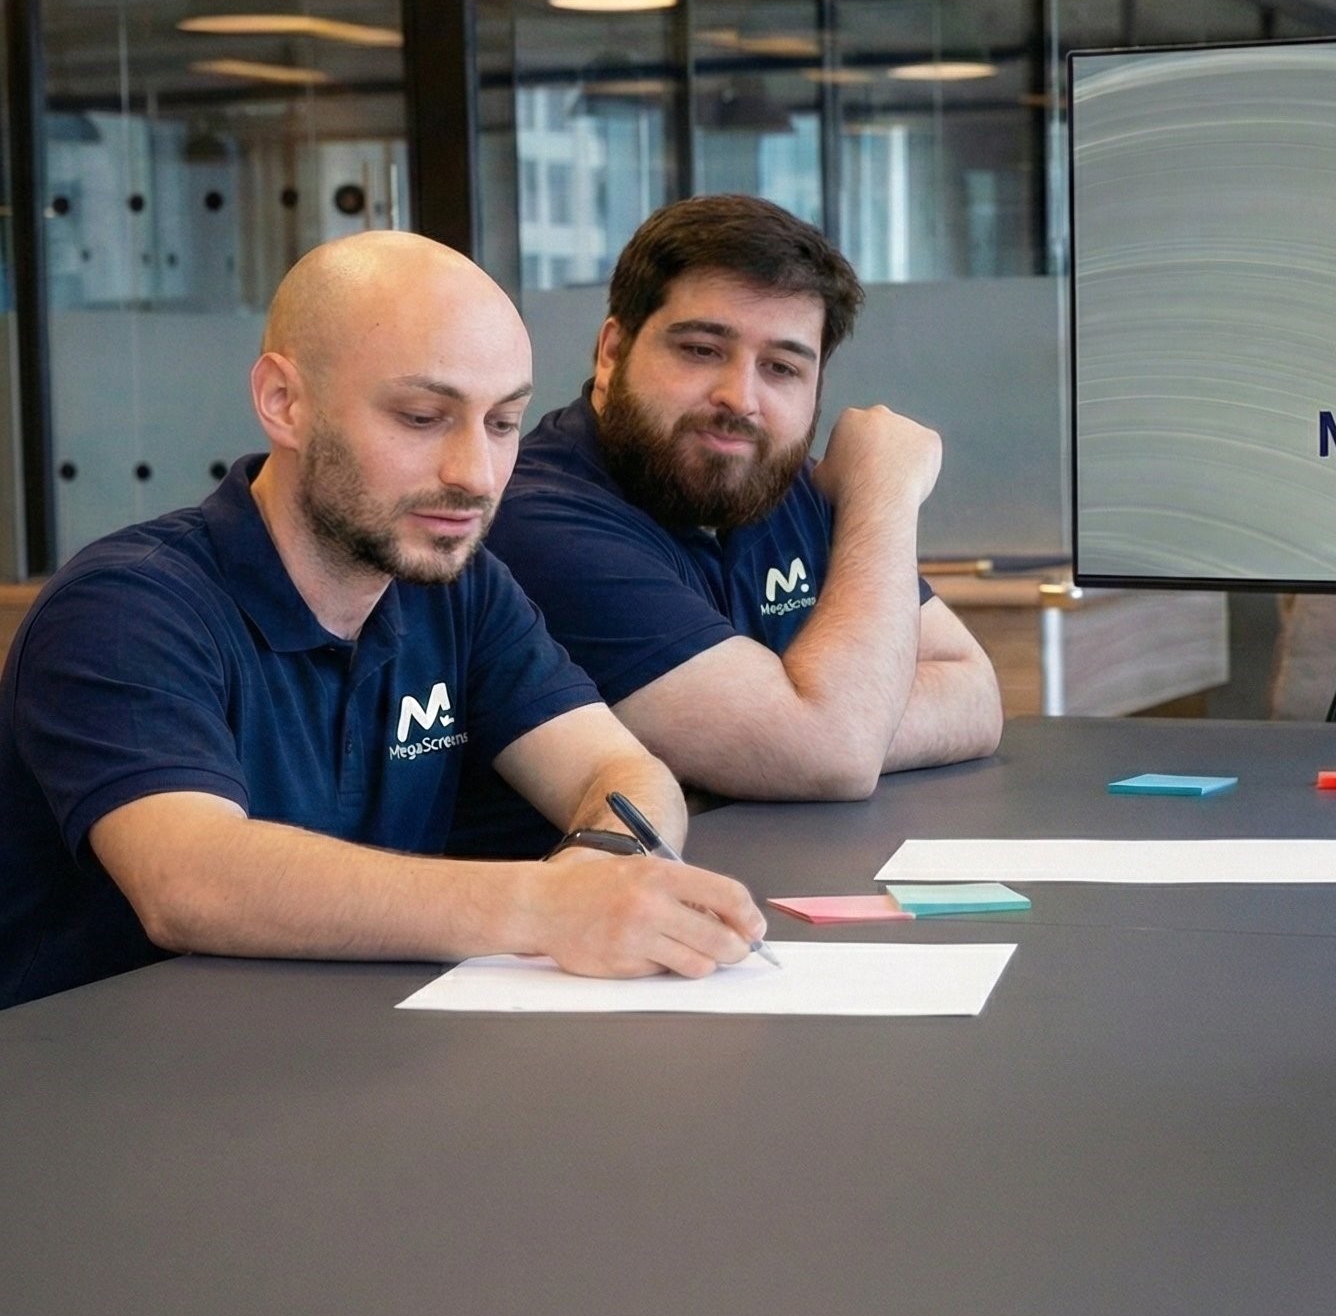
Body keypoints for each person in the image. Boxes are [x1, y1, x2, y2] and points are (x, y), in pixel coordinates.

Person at [0, 232, 768, 1009]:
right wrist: (549, 908)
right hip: (101, 1092)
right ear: (283, 403)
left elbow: (622, 774)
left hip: (348, 1061)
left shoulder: (457, 589)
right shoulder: (126, 608)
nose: (473, 475)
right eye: (422, 417)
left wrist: (603, 866)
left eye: (503, 424)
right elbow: (190, 878)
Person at [445, 194, 1002, 859]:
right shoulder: (538, 517)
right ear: (612, 352)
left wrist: (827, 716)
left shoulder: (778, 480)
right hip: (541, 942)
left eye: (783, 368)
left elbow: (974, 690)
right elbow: (830, 752)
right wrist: (885, 495)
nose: (740, 400)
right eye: (703, 349)